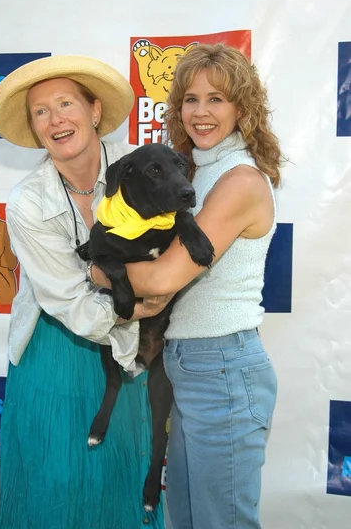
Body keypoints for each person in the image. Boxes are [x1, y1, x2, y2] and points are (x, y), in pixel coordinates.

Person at [90, 43, 282, 529]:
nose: (200, 111)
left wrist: (97, 271)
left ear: (243, 107)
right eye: (190, 99)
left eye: (217, 99)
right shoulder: (190, 169)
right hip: (185, 362)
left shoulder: (238, 181)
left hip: (222, 366)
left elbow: (164, 278)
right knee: (190, 519)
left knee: (222, 521)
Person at [0, 54, 168, 529]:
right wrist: (144, 307)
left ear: (93, 111)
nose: (55, 119)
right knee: (54, 485)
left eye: (65, 103)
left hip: (131, 349)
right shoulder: (27, 201)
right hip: (56, 347)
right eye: (41, 112)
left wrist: (146, 308)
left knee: (122, 484)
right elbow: (68, 300)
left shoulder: (143, 167)